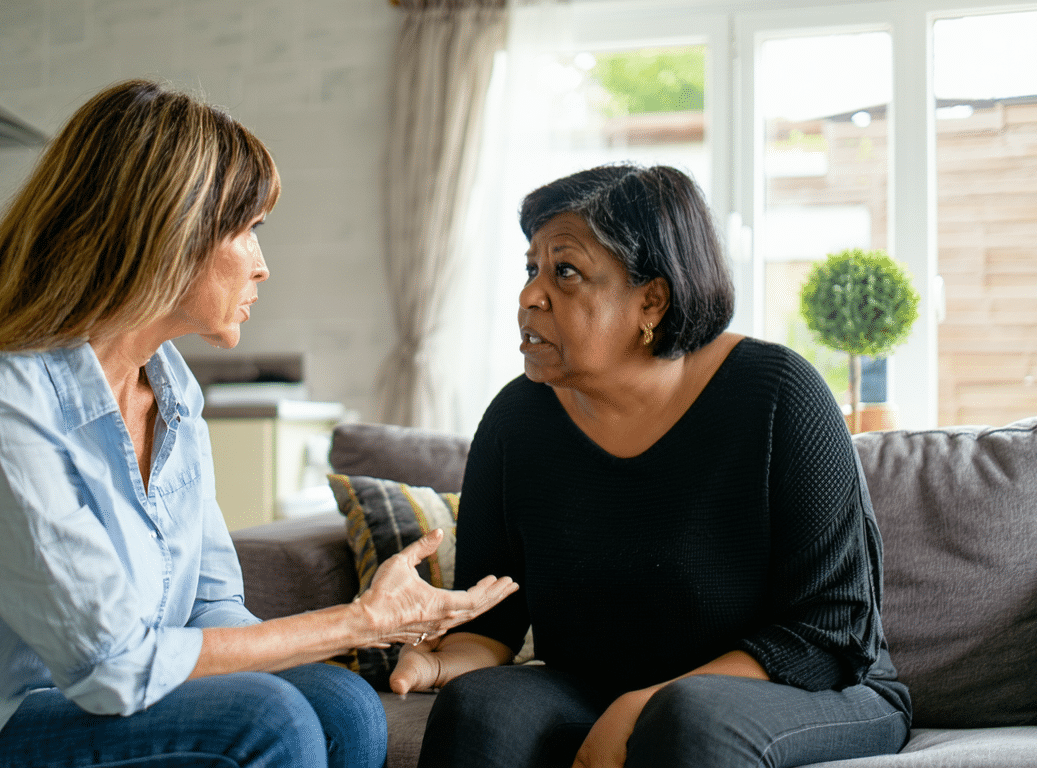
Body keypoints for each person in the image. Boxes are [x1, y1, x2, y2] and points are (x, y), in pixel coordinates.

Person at [0, 79, 517, 768]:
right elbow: (112, 666)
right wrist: (360, 621)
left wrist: (372, 625)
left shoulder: (170, 392)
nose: (263, 266)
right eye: (251, 230)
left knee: (340, 706)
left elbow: (209, 607)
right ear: (169, 233)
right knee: (267, 721)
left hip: (62, 710)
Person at [389, 163, 912, 768]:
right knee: (482, 708)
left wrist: (645, 704)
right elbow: (496, 619)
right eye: (532, 269)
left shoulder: (778, 395)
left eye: (566, 272)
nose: (530, 295)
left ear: (652, 300)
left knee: (689, 719)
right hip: (598, 687)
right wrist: (438, 660)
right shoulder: (517, 419)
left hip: (814, 687)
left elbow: (830, 630)